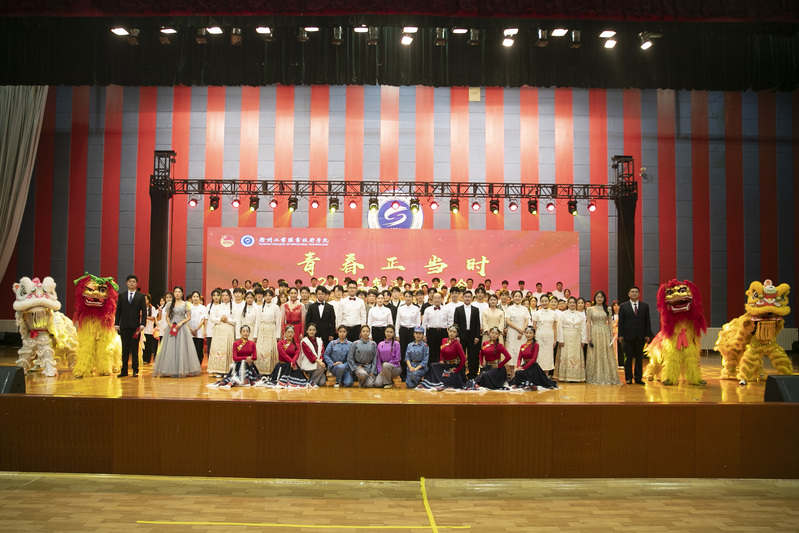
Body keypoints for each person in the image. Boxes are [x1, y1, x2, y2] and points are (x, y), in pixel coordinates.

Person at [152, 286, 202, 378]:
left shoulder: (186, 304)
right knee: (170, 348)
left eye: (179, 292)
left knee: (182, 348)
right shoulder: (169, 304)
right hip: (172, 327)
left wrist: (181, 323)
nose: (177, 293)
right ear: (174, 293)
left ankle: (182, 370)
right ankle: (169, 369)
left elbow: (189, 317)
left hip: (182, 328)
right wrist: (169, 324)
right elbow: (167, 316)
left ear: (182, 293)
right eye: (176, 292)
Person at [617, 286, 654, 385]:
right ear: (629, 294)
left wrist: (647, 334)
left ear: (639, 294)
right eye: (632, 292)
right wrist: (620, 335)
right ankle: (628, 378)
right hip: (627, 336)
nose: (634, 293)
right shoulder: (623, 306)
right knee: (628, 358)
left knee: (639, 358)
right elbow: (621, 322)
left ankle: (638, 378)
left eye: (636, 292)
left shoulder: (644, 306)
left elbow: (647, 321)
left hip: (640, 336)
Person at [586, 290, 623, 385]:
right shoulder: (590, 309)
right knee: (595, 352)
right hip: (594, 331)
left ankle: (607, 376)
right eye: (598, 297)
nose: (599, 299)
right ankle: (595, 375)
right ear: (595, 298)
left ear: (604, 299)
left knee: (606, 353)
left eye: (601, 297)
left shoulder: (608, 309)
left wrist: (611, 335)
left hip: (605, 332)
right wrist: (589, 336)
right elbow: (588, 323)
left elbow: (610, 323)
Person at [114, 275, 148, 378]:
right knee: (124, 349)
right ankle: (124, 370)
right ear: (126, 283)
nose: (132, 283)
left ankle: (135, 370)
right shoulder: (122, 296)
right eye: (130, 281)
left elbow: (144, 312)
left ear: (136, 283)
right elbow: (118, 311)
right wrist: (116, 324)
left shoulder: (140, 296)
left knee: (134, 349)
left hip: (135, 327)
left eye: (133, 282)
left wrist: (142, 324)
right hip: (124, 326)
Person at [421, 325, 466, 389]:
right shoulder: (444, 340)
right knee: (432, 366)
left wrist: (456, 370)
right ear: (448, 331)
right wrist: (440, 360)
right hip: (445, 364)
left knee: (452, 378)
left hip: (453, 365)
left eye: (454, 332)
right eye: (450, 331)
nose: (452, 333)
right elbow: (441, 351)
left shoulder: (457, 344)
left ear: (457, 334)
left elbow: (463, 358)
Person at [555, 297, 586, 382]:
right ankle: (565, 376)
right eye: (570, 302)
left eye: (574, 302)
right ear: (567, 304)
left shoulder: (580, 315)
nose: (572, 304)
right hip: (566, 337)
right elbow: (559, 327)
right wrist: (560, 339)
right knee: (566, 355)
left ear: (576, 304)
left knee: (576, 356)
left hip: (577, 338)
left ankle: (576, 377)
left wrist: (583, 340)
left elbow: (583, 327)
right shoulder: (563, 314)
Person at [207, 289, 237, 375]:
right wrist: (220, 319)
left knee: (228, 349)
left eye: (226, 295)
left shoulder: (234, 307)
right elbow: (212, 318)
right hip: (218, 331)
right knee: (218, 349)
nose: (225, 297)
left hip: (228, 330)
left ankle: (228, 370)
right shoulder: (218, 307)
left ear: (230, 296)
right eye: (223, 295)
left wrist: (227, 320)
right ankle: (218, 370)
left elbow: (236, 320)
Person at [454, 290, 481, 380]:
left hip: (472, 335)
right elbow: (456, 324)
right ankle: (461, 375)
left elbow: (477, 324)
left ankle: (472, 375)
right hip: (461, 335)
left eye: (469, 297)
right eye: (466, 297)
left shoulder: (475, 310)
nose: (467, 298)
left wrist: (477, 336)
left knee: (472, 356)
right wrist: (457, 336)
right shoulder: (458, 309)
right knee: (461, 356)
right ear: (463, 298)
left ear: (472, 298)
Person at [504, 290, 530, 378]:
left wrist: (522, 330)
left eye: (519, 296)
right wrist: (519, 329)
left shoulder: (525, 309)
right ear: (512, 298)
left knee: (522, 352)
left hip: (523, 334)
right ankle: (512, 376)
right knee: (512, 352)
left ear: (521, 298)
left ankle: (521, 376)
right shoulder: (509, 309)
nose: (517, 298)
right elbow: (508, 321)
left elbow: (527, 321)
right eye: (515, 296)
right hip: (512, 333)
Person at [255, 288, 280, 374]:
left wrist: (278, 335)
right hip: (262, 330)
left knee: (271, 350)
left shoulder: (276, 307)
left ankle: (271, 372)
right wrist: (255, 335)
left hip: (272, 329)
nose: (268, 297)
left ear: (272, 297)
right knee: (261, 350)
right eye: (266, 296)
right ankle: (260, 371)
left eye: (269, 296)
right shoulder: (260, 307)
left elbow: (278, 322)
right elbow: (257, 321)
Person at [531, 295, 557, 374]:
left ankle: (546, 375)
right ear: (540, 302)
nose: (544, 303)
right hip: (539, 336)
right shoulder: (536, 313)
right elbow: (534, 327)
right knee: (539, 355)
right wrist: (534, 338)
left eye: (546, 301)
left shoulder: (553, 313)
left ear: (549, 302)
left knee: (548, 355)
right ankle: (538, 375)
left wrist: (555, 339)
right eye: (542, 301)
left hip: (550, 336)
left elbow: (555, 327)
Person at [421, 292, 448, 365]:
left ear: (442, 299)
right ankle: (431, 369)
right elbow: (424, 323)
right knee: (431, 352)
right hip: (431, 332)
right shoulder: (427, 310)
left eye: (439, 298)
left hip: (443, 332)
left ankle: (442, 369)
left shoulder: (446, 309)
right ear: (432, 299)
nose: (437, 300)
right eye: (435, 298)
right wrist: (424, 335)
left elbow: (450, 322)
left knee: (443, 351)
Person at [188, 290, 207, 365]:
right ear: (191, 298)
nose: (195, 298)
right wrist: (191, 329)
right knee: (190, 349)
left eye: (197, 297)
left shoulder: (203, 308)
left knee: (199, 349)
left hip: (199, 331)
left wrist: (195, 329)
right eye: (194, 296)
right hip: (189, 331)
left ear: (199, 298)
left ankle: (198, 365)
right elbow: (186, 319)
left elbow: (203, 319)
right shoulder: (189, 307)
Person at [141, 294, 158, 365]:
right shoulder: (141, 307)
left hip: (149, 329)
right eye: (144, 299)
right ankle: (141, 358)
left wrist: (145, 317)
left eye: (147, 299)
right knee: (142, 345)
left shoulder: (152, 308)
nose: (145, 301)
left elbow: (153, 318)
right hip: (142, 329)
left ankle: (147, 359)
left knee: (148, 345)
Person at [205, 289, 221, 360]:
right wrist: (205, 330)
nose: (216, 297)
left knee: (218, 346)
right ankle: (210, 361)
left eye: (217, 295)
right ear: (212, 297)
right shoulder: (209, 306)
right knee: (210, 346)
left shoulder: (222, 306)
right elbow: (206, 318)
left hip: (219, 329)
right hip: (210, 329)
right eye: (214, 295)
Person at [611, 300, 622, 367]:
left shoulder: (621, 315)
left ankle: (621, 363)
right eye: (614, 306)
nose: (616, 307)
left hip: (620, 333)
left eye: (617, 305)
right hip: (613, 333)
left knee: (620, 348)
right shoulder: (611, 316)